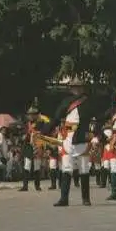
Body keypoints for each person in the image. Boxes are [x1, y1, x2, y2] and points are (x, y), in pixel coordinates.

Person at [42, 77, 93, 206]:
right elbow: (56, 118)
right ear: (71, 88)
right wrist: (45, 130)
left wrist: (96, 135)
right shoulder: (65, 102)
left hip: (82, 138)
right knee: (66, 169)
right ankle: (64, 198)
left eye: (79, 87)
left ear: (82, 88)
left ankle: (86, 198)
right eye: (74, 87)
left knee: (84, 169)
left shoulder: (88, 102)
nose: (77, 89)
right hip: (68, 138)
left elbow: (96, 120)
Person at [19, 102, 47, 192]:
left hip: (37, 146)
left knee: (37, 166)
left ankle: (37, 185)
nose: (30, 116)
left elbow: (42, 133)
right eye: (29, 114)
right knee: (27, 165)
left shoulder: (41, 123)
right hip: (28, 146)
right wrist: (24, 136)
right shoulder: (27, 124)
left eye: (32, 114)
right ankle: (25, 185)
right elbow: (23, 134)